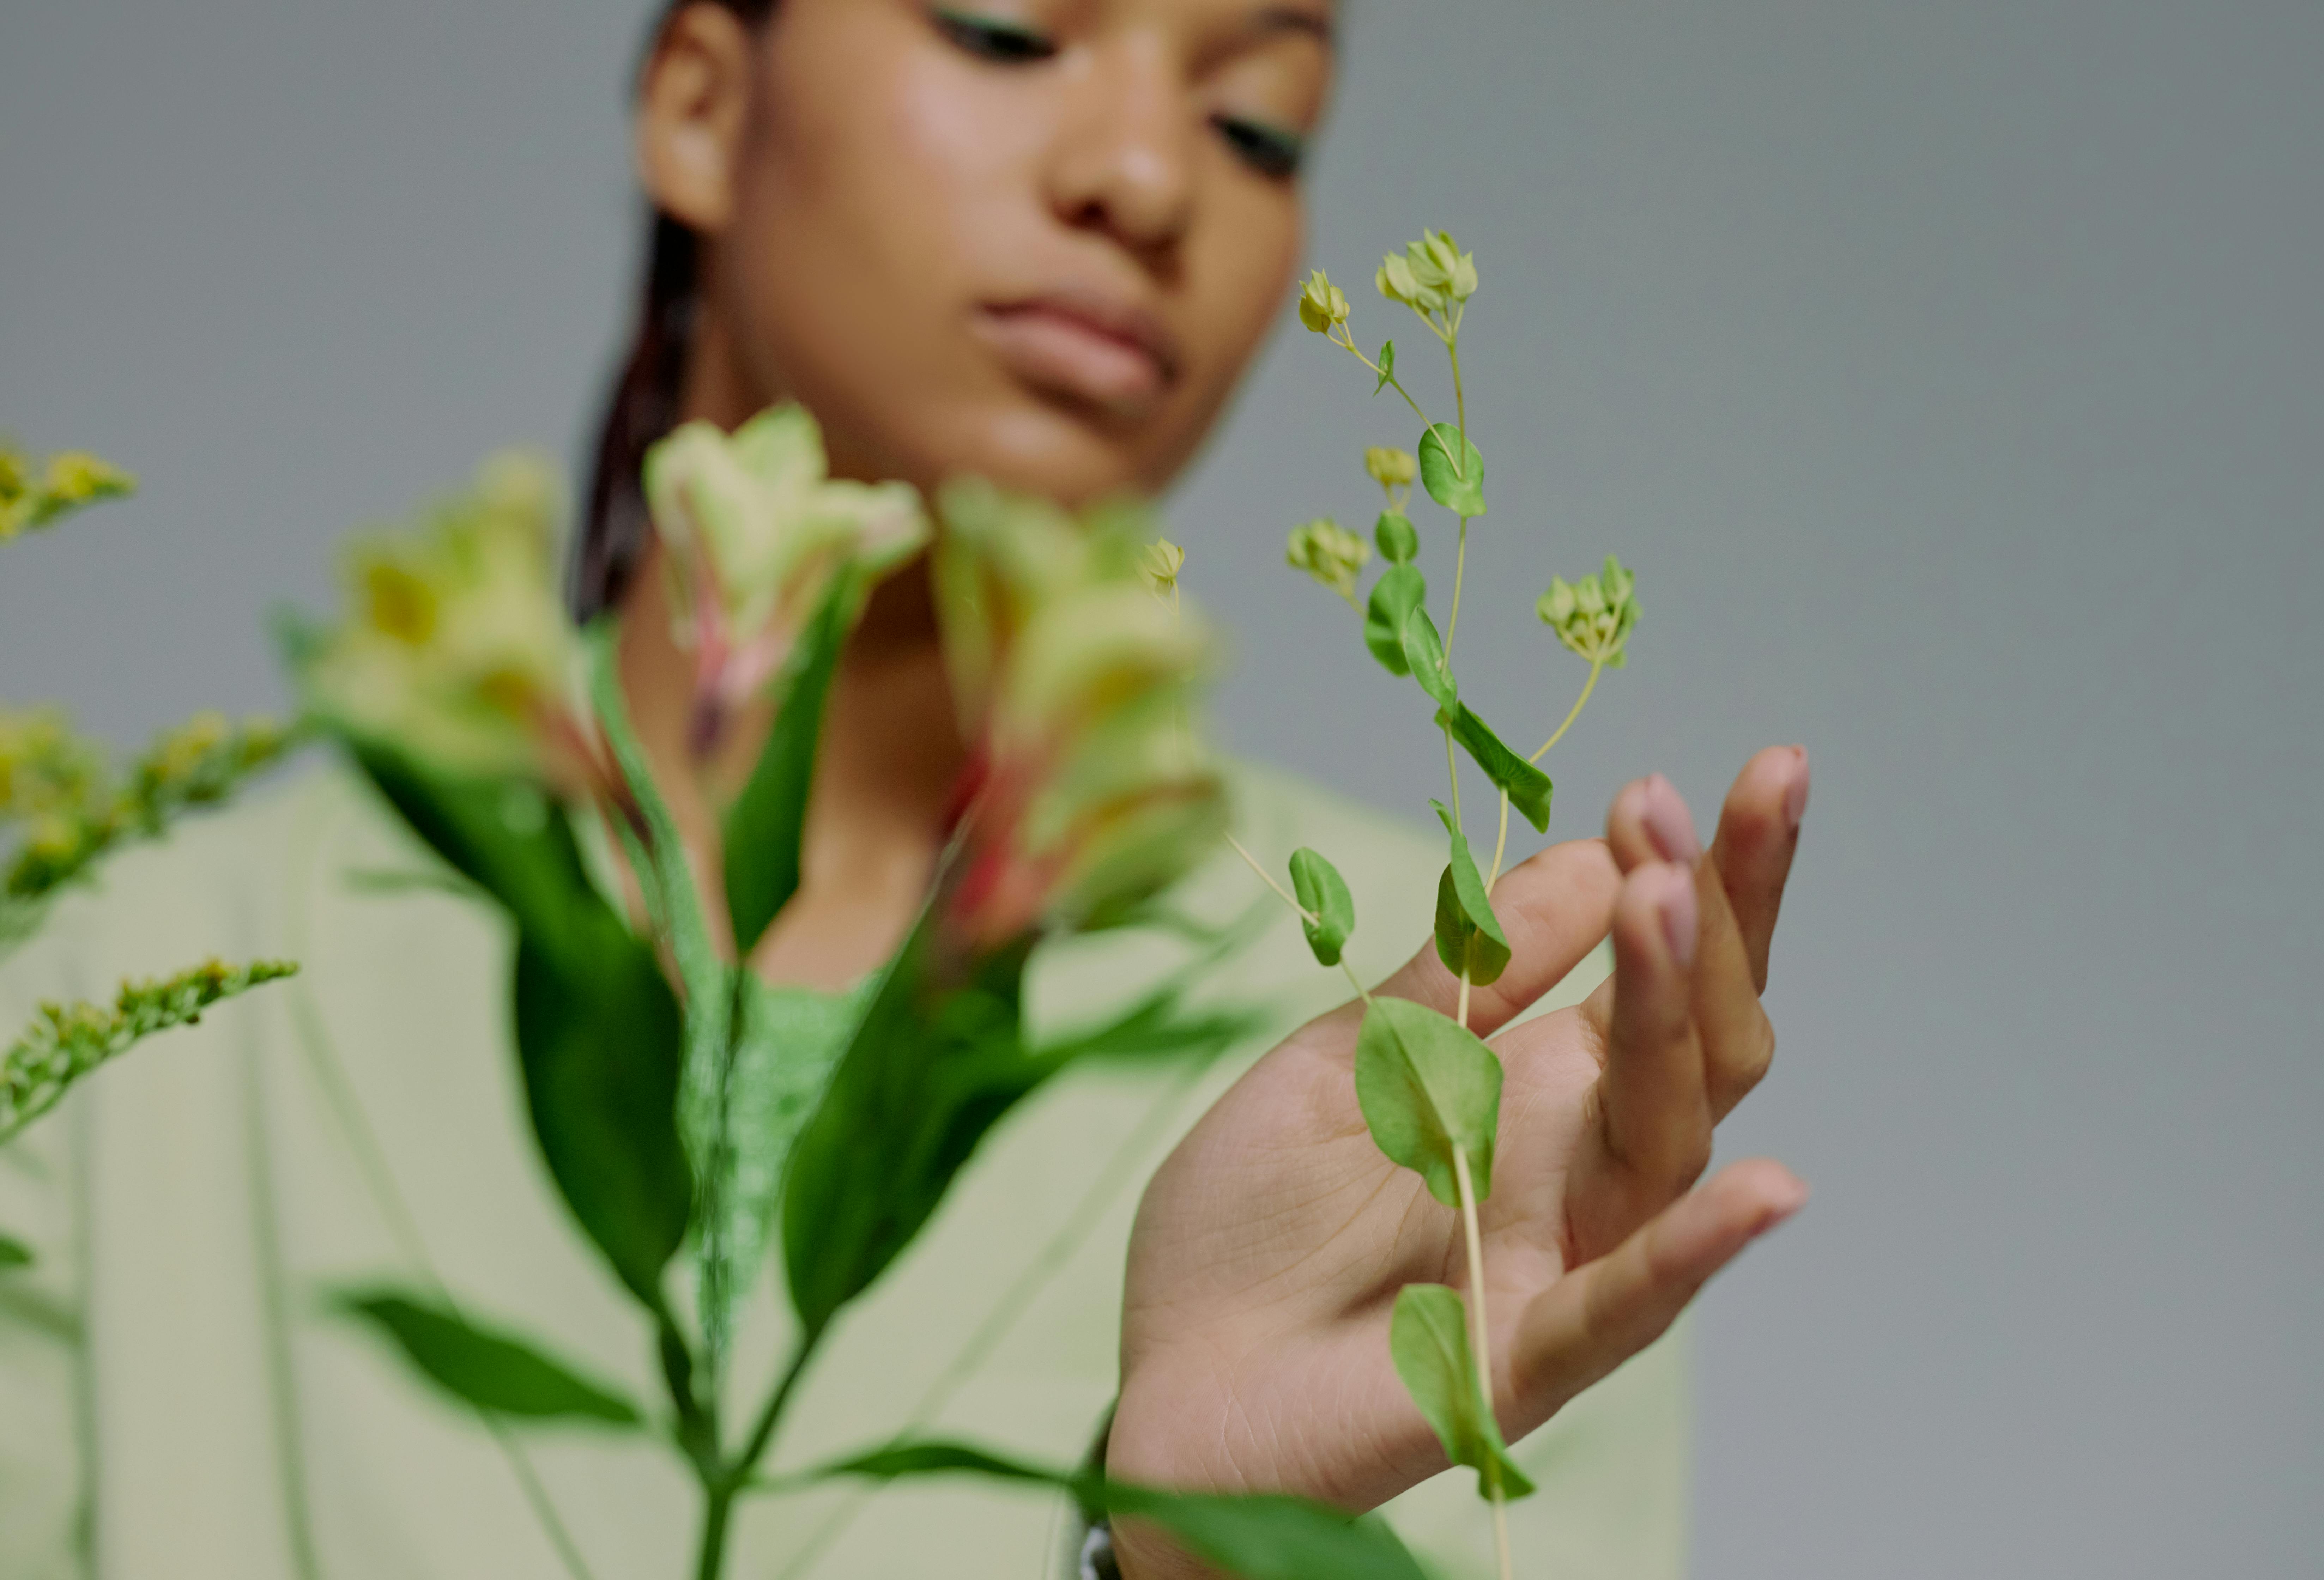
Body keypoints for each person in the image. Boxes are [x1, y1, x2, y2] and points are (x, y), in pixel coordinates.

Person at [0, 1, 1810, 1576]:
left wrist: (1184, 1559)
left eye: (1257, 119)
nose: (1149, 179)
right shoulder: (120, 990)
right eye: (1009, 30)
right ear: (705, 104)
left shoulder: (1471, 1066)